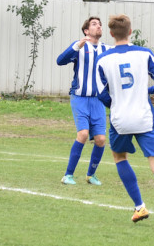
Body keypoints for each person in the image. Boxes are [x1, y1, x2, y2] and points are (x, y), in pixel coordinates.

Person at [96, 14, 154, 229]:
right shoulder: (144, 53)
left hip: (119, 118)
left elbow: (101, 93)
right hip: (145, 116)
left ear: (111, 34)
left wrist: (115, 105)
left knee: (119, 156)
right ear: (130, 32)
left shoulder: (103, 60)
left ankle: (139, 206)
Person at [56, 16, 109, 186]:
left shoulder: (107, 49)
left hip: (98, 100)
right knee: (84, 134)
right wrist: (77, 45)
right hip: (80, 97)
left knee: (100, 139)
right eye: (94, 24)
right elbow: (60, 61)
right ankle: (68, 175)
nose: (98, 26)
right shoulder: (79, 47)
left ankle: (90, 175)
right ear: (86, 31)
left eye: (100, 24)